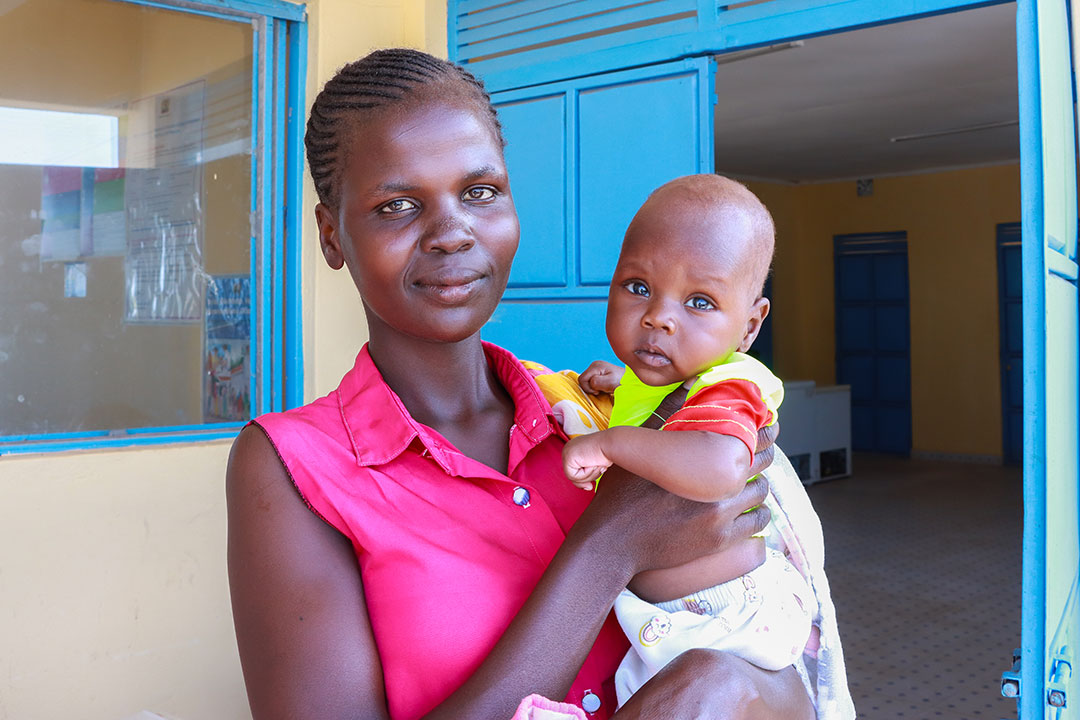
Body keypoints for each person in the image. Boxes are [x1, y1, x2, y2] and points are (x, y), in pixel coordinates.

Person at [225, 48, 815, 720]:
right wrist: (610, 545)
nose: (452, 233)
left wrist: (722, 688)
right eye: (397, 205)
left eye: (480, 192)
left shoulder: (603, 415)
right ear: (332, 235)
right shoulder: (294, 468)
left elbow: (781, 663)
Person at [557, 176, 813, 705]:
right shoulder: (666, 376)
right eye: (638, 287)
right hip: (676, 616)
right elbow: (663, 410)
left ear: (748, 327)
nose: (658, 317)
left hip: (723, 618)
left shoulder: (732, 387)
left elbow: (718, 468)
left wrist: (611, 445)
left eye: (699, 301)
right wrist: (619, 381)